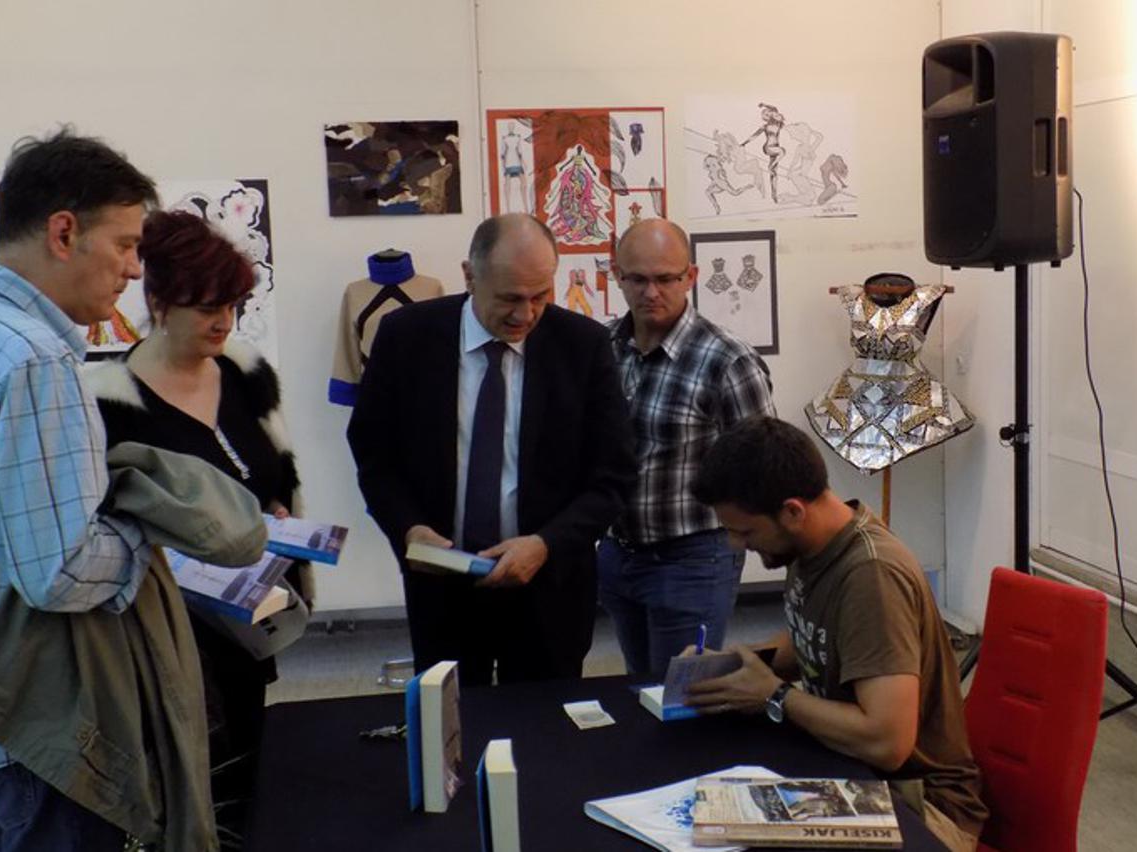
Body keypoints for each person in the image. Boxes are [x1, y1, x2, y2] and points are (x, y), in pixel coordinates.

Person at [87, 209, 311, 847]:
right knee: (188, 781)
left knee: (252, 768)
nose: (224, 321)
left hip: (253, 610)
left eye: (233, 306)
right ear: (159, 301)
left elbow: (274, 472)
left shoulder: (244, 372)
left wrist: (278, 512)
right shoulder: (109, 402)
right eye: (207, 307)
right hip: (173, 627)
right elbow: (114, 521)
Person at [347, 213, 637, 686]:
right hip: (442, 587)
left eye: (540, 296)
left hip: (550, 588)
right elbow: (375, 455)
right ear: (469, 276)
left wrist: (545, 544)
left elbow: (614, 477)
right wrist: (408, 528)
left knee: (546, 723)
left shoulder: (582, 346)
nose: (526, 315)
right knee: (452, 720)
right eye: (509, 298)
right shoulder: (406, 337)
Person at [685, 417, 988, 852]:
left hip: (923, 809)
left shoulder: (871, 576)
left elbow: (887, 742)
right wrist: (731, 664)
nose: (736, 545)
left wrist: (773, 695)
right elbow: (813, 640)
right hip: (856, 771)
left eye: (745, 531)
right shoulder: (813, 544)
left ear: (792, 511)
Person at [0, 130, 158, 850]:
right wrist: (148, 534)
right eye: (125, 244)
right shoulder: (35, 359)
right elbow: (58, 570)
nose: (134, 269)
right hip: (31, 725)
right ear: (63, 233)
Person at [600, 218, 775, 678]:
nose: (651, 292)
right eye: (637, 279)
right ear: (617, 276)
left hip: (693, 559)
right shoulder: (605, 348)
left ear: (691, 277)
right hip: (619, 551)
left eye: (666, 279)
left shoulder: (728, 360)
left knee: (680, 692)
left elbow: (764, 467)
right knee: (639, 688)